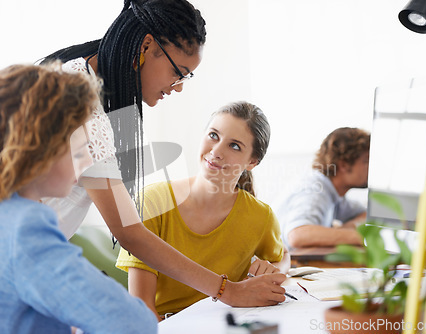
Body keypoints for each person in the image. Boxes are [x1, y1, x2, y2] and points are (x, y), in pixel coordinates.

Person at [40, 0, 286, 307]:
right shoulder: (83, 106)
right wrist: (230, 291)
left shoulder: (79, 79)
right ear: (146, 46)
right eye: (178, 72)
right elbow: (129, 233)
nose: (178, 86)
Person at [0, 63, 157, 333]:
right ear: (41, 149)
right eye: (80, 151)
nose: (89, 160)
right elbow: (133, 323)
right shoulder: (25, 227)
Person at [116, 102, 290, 320]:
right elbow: (142, 309)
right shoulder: (151, 201)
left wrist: (277, 267)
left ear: (252, 162)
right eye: (214, 135)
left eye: (234, 146)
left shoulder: (261, 216)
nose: (216, 151)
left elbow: (283, 254)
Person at [277, 127, 370, 248]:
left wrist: (346, 228)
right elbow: (297, 235)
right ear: (344, 165)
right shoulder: (315, 190)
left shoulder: (334, 193)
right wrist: (361, 237)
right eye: (366, 161)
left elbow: (366, 214)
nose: (372, 167)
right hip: (288, 265)